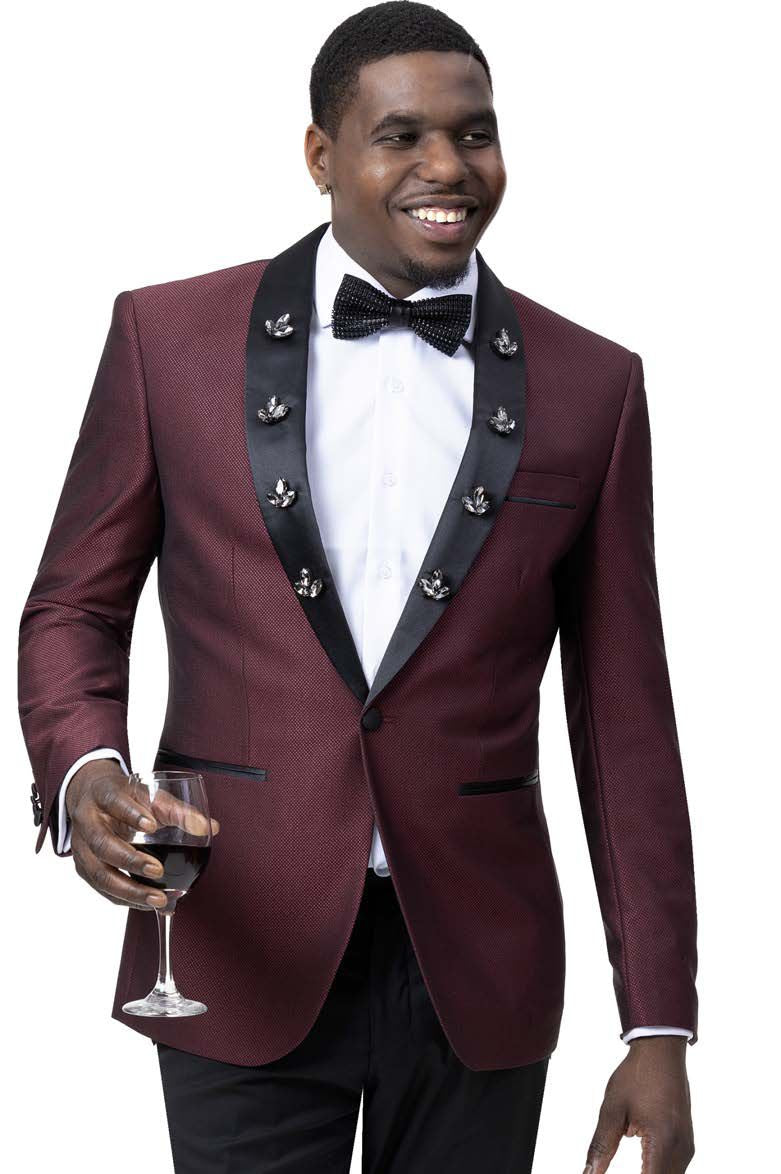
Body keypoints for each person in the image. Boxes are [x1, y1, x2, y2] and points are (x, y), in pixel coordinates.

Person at [18, 3, 698, 1171]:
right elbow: (73, 606)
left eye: (474, 133)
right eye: (401, 136)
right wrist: (85, 771)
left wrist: (658, 1023)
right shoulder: (166, 341)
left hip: (480, 965)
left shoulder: (594, 386)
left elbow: (624, 720)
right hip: (235, 937)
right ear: (320, 155)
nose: (449, 166)